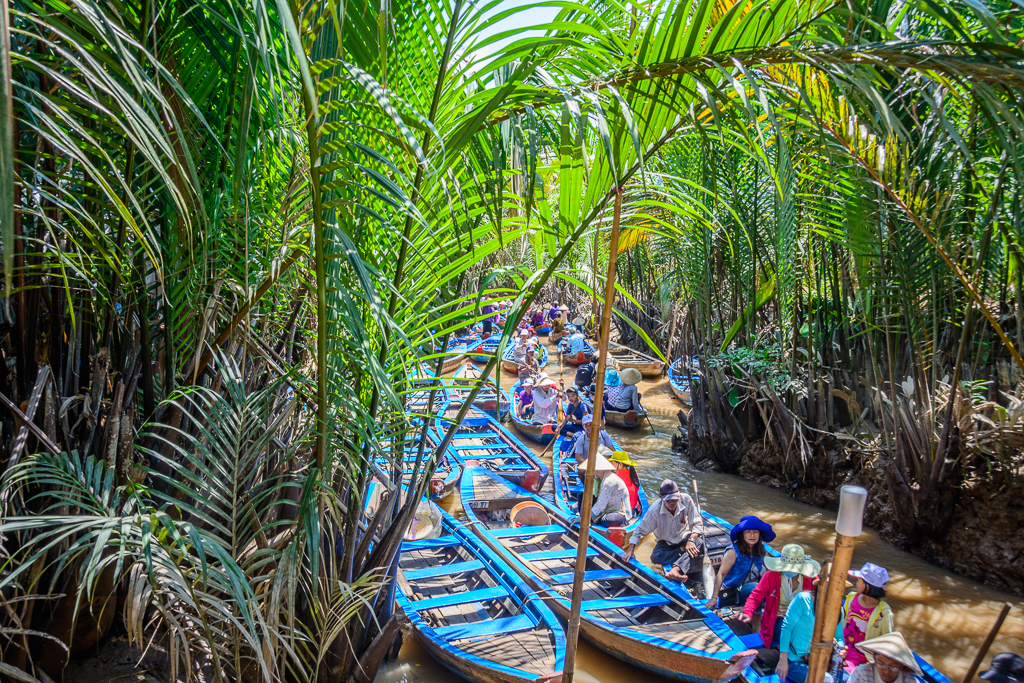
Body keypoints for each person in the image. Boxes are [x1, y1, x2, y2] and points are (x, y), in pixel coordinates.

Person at [621, 479, 704, 583]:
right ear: (661, 497)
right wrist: (630, 550)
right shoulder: (655, 510)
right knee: (656, 557)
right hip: (666, 541)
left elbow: (697, 523)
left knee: (700, 543)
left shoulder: (686, 500)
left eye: (674, 499)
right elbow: (639, 531)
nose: (672, 503)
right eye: (668, 500)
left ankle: (675, 570)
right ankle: (682, 550)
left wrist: (691, 540)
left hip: (684, 536)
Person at [740, 544, 819, 648]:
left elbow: (820, 599)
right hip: (777, 620)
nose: (790, 571)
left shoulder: (812, 579)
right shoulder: (771, 576)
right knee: (784, 627)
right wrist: (748, 612)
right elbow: (756, 595)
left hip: (803, 620)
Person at [836, 563, 895, 675]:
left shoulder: (884, 613)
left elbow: (887, 642)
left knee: (844, 675)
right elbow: (843, 622)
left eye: (859, 580)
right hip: (843, 649)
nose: (856, 583)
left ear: (867, 586)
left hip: (864, 658)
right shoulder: (851, 597)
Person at [705, 516, 774, 610]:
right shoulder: (733, 552)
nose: (752, 535)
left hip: (754, 588)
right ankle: (756, 623)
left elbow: (771, 569)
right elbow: (721, 574)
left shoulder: (761, 550)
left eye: (755, 532)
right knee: (755, 588)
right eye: (748, 532)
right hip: (734, 592)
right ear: (742, 534)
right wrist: (714, 598)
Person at [847, 632, 923, 683]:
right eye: (880, 664)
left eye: (893, 667)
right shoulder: (862, 673)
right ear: (874, 659)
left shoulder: (910, 681)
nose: (886, 671)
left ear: (901, 665)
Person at [609, 450, 640, 516]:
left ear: (619, 464)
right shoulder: (634, 475)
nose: (611, 465)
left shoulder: (615, 477)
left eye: (612, 463)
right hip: (633, 509)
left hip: (621, 512)